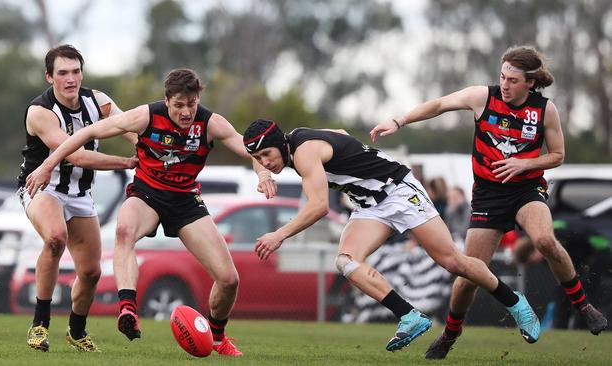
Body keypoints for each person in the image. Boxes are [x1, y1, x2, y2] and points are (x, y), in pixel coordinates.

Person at [370, 45, 608, 360]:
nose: (505, 84)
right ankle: (450, 334)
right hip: (488, 196)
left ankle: (584, 306)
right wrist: (399, 122)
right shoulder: (484, 97)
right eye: (503, 77)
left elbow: (558, 155)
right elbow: (440, 104)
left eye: (513, 80)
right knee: (470, 273)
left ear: (530, 83)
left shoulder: (544, 110)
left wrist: (524, 164)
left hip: (526, 190)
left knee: (545, 240)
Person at [25, 68, 277, 357]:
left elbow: (249, 148)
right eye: (179, 105)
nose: (186, 112)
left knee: (229, 279)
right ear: (167, 100)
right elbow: (90, 132)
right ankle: (128, 308)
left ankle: (217, 337)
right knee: (124, 230)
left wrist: (262, 174)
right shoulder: (146, 115)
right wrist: (47, 165)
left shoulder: (210, 123)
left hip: (185, 202)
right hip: (147, 195)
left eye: (191, 104)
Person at [243, 119, 540, 352]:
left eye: (267, 155)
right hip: (370, 205)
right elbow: (340, 132)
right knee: (347, 262)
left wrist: (279, 235)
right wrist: (263, 174)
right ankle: (410, 317)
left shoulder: (305, 152)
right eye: (259, 158)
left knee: (452, 262)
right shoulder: (292, 141)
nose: (266, 162)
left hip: (397, 190)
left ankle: (516, 302)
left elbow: (319, 207)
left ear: (280, 144)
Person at [17, 44, 138, 352]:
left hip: (80, 194)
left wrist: (152, 148)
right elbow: (78, 155)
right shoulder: (40, 112)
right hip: (42, 189)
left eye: (76, 71)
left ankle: (76, 331)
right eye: (62, 73)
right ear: (49, 77)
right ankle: (39, 326)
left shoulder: (98, 101)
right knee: (56, 238)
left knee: (91, 272)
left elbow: (130, 127)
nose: (71, 79)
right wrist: (126, 162)